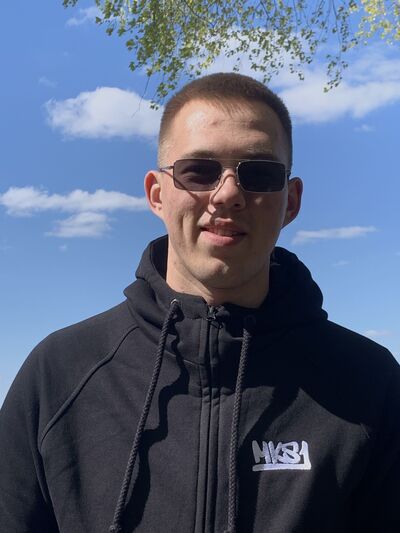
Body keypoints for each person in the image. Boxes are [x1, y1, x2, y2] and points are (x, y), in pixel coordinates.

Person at [0, 73, 399, 533]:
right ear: (157, 194)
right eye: (199, 171)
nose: (227, 194)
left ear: (290, 202)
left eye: (259, 173)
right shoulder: (59, 373)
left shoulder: (369, 384)